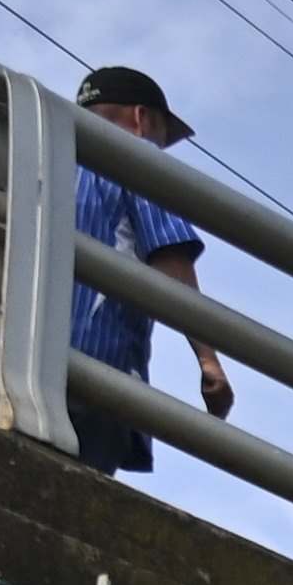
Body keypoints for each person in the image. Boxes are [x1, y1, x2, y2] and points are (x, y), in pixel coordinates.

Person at [66, 64, 234, 469]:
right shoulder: (135, 157)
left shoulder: (42, 155)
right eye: (161, 133)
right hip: (94, 376)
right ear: (141, 119)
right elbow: (170, 261)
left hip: (14, 355)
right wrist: (209, 360)